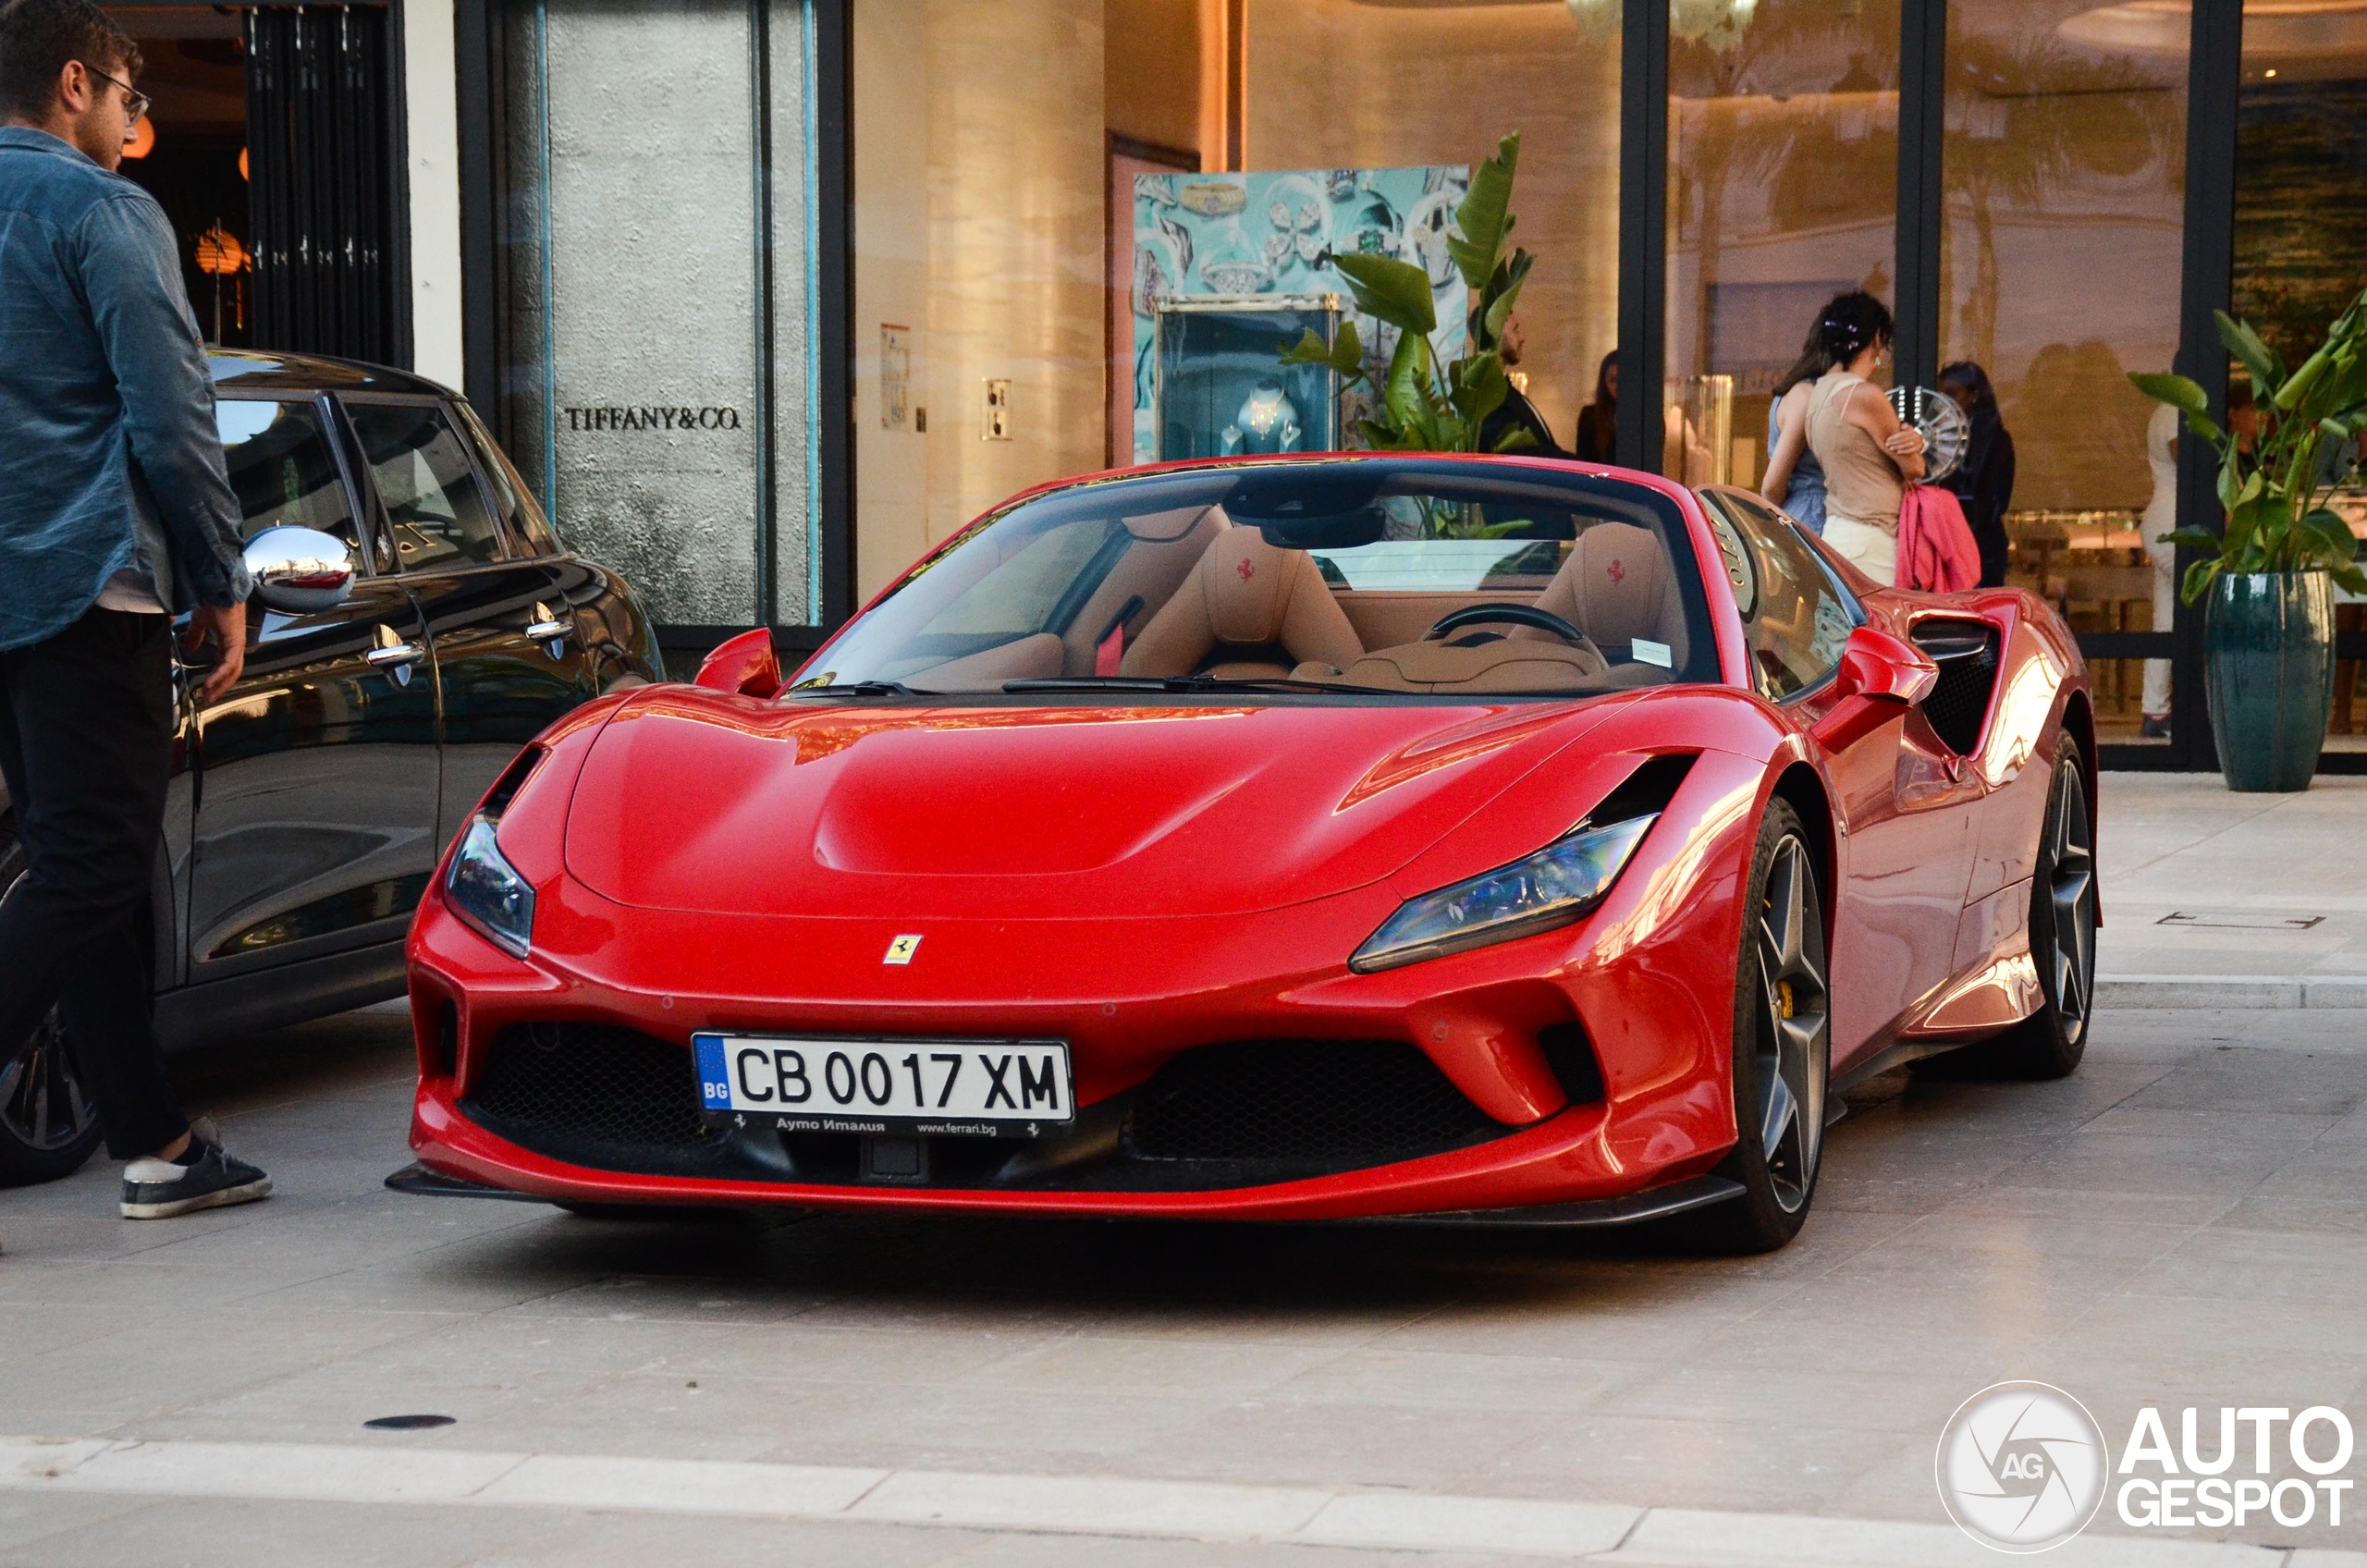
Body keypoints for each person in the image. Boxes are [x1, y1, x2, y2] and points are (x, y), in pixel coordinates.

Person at [0, 0, 271, 1219]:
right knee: (93, 858)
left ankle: (154, 1139)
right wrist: (221, 581)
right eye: (129, 94)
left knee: (86, 865)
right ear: (73, 84)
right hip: (83, 580)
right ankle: (154, 1137)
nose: (137, 120)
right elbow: (171, 415)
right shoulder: (101, 212)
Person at [1800, 291, 1925, 584]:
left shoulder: (1819, 392)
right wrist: (1915, 440)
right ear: (1878, 340)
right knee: (1879, 628)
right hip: (1872, 540)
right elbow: (1915, 468)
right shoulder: (1865, 395)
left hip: (1838, 532)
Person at [1937, 361, 2017, 588]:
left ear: (1974, 395)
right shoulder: (1937, 435)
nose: (1946, 403)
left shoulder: (1995, 439)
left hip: (1982, 541)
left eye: (1953, 394)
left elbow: (1998, 497)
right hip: (1947, 537)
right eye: (1941, 395)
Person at [1758, 325, 1834, 534]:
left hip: (1798, 514)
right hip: (1809, 515)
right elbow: (1772, 485)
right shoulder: (1805, 397)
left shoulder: (1796, 393)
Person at [1477, 313, 1562, 457]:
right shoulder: (1488, 396)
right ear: (1494, 333)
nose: (1522, 338)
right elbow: (1523, 452)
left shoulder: (1507, 391)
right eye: (1515, 330)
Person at [1571, 350, 1616, 462]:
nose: (1618, 386)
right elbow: (1584, 460)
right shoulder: (1590, 416)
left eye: (1623, 380)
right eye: (1612, 380)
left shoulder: (1644, 417)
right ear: (1604, 383)